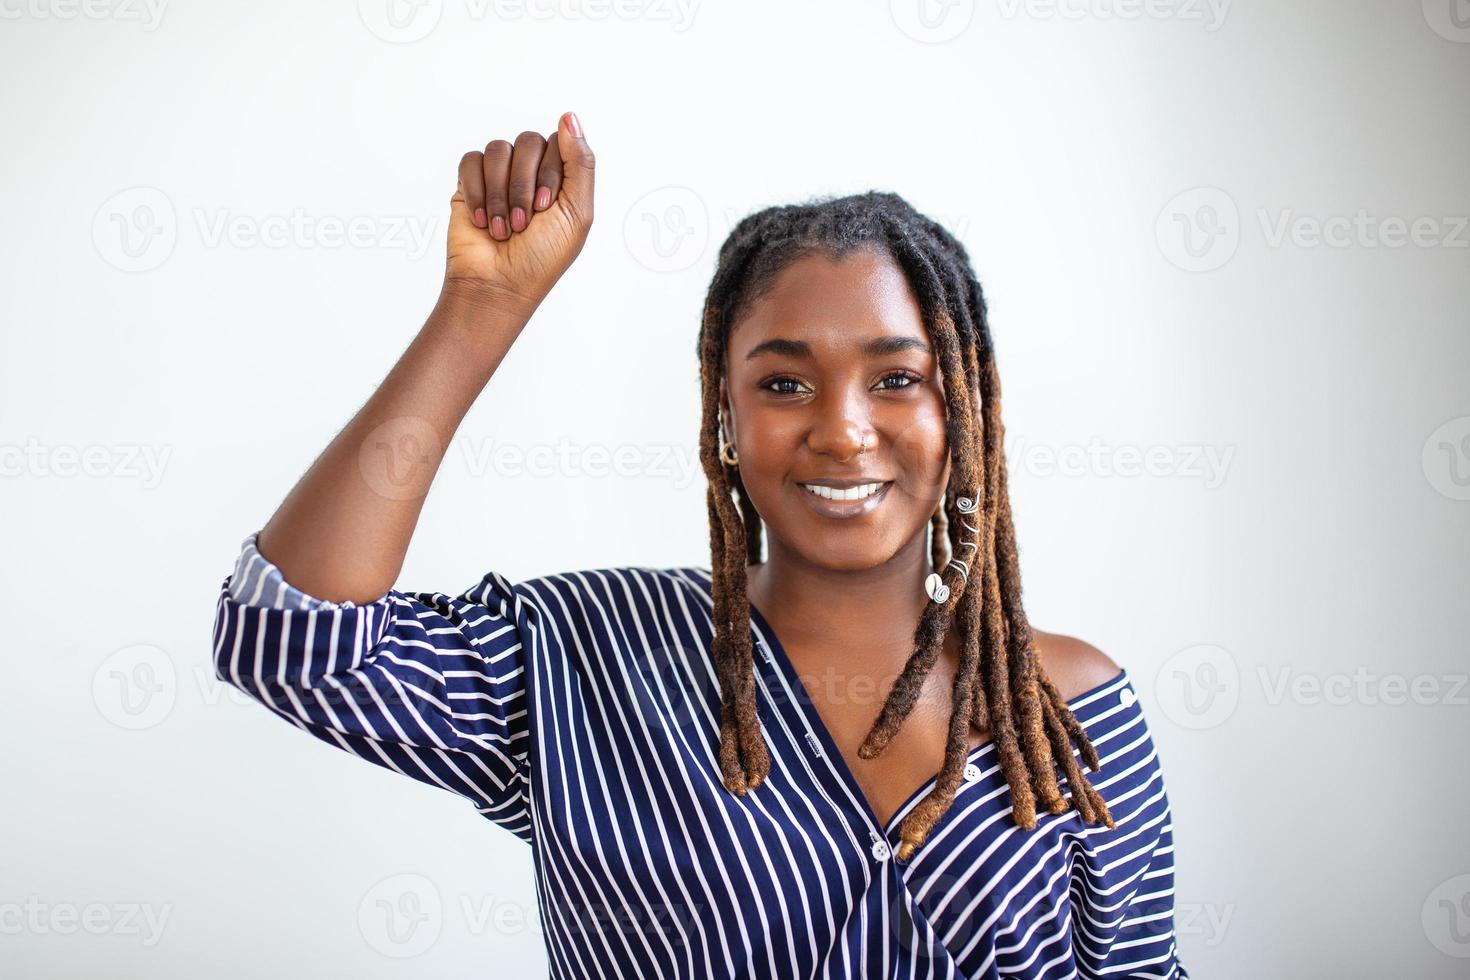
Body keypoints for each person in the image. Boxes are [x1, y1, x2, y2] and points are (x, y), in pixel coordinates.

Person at [212, 111, 1189, 979]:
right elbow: (287, 636)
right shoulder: (584, 658)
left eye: (896, 378)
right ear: (724, 415)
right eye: (784, 383)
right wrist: (481, 307)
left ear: (964, 408)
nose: (844, 429)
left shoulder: (1068, 706)